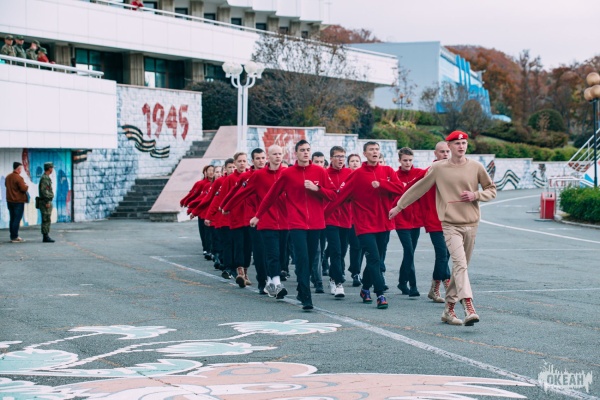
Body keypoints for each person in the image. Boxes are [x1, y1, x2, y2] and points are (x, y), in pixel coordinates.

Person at [389, 131, 496, 326]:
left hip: (471, 224)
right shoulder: (438, 168)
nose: (461, 146)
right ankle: (468, 306)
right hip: (449, 224)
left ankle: (449, 310)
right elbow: (418, 188)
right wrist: (399, 206)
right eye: (457, 143)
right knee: (459, 265)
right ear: (449, 146)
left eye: (463, 143)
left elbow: (491, 190)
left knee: (460, 269)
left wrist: (476, 195)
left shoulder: (476, 166)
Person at [252, 140, 336, 310]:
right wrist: (258, 216)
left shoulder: (320, 171)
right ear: (295, 153)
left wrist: (317, 189)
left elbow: (334, 195)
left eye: (308, 150)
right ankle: (305, 295)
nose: (306, 152)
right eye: (302, 150)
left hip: (316, 223)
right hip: (296, 223)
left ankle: (300, 289)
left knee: (311, 258)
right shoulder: (288, 174)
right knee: (302, 258)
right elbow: (271, 196)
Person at [325, 142, 405, 309]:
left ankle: (365, 288)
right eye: (371, 150)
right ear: (365, 153)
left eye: (377, 149)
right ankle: (380, 294)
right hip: (364, 225)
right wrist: (322, 217)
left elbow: (400, 189)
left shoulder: (388, 171)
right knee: (374, 259)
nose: (375, 152)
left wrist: (382, 184)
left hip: (384, 224)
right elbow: (340, 197)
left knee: (375, 259)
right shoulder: (357, 175)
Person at [227, 145, 289, 299]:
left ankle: (271, 281)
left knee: (280, 253)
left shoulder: (286, 173)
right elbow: (240, 193)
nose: (261, 161)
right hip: (260, 219)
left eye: (280, 154)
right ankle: (265, 282)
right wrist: (226, 206)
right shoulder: (256, 176)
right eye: (258, 158)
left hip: (284, 220)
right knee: (262, 252)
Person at [423, 142, 452, 303]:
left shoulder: (454, 170)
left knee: (446, 254)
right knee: (442, 254)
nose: (445, 154)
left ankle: (434, 288)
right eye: (442, 152)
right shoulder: (431, 171)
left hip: (450, 220)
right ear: (435, 153)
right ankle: (448, 287)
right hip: (434, 219)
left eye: (447, 151)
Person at [394, 147, 424, 297]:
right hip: (401, 220)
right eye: (405, 160)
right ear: (399, 160)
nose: (408, 163)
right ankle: (413, 285)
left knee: (409, 253)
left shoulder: (418, 173)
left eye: (410, 160)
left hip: (416, 220)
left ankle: (402, 282)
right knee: (409, 251)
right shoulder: (394, 175)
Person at [324, 146, 352, 298]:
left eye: (343, 156)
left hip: (346, 219)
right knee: (336, 251)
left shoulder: (349, 173)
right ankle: (338, 283)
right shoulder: (325, 174)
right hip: (330, 219)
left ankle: (333, 277)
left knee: (342, 251)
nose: (341, 159)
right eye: (338, 156)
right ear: (331, 158)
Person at [346, 153, 364, 287]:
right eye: (352, 161)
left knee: (360, 246)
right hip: (349, 218)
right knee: (354, 246)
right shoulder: (347, 177)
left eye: (357, 161)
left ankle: (355, 270)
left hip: (362, 217)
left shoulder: (363, 176)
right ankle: (355, 271)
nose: (355, 163)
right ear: (348, 164)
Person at [5, 162, 29, 243]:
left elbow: (6, 185)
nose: (21, 170)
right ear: (18, 169)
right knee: (17, 219)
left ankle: (12, 235)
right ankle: (15, 236)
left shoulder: (8, 177)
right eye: (21, 168)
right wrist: (26, 186)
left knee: (12, 218)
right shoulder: (19, 178)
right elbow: (23, 189)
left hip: (10, 201)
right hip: (18, 201)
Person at [39, 162, 55, 243]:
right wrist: (47, 201)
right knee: (46, 219)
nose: (52, 169)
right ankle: (45, 236)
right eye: (51, 168)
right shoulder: (45, 178)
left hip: (46, 201)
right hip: (45, 202)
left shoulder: (46, 177)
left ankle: (46, 235)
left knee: (47, 218)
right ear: (49, 168)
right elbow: (44, 191)